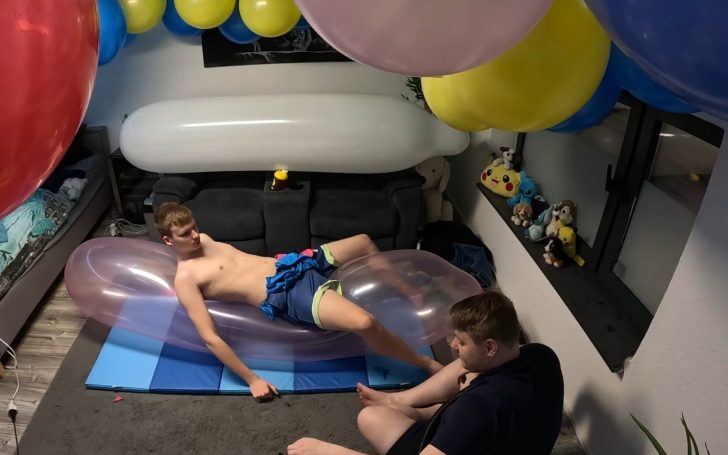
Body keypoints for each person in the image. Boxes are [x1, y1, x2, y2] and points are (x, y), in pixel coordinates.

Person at [154, 202, 443, 402]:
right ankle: (424, 363)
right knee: (365, 322)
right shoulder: (186, 280)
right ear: (168, 241)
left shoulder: (205, 238)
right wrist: (252, 380)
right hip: (289, 295)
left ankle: (409, 290)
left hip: (292, 263)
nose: (195, 235)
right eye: (185, 234)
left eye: (194, 227)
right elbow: (210, 337)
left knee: (364, 241)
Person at [287, 291, 565, 455]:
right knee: (466, 367)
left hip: (471, 430)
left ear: (490, 347)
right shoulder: (541, 355)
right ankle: (404, 402)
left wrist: (325, 450)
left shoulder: (476, 409)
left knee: (370, 418)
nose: (453, 346)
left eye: (461, 342)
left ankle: (415, 408)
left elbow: (475, 414)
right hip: (508, 440)